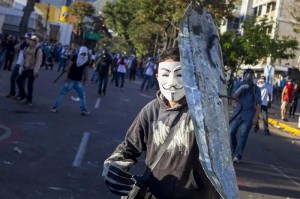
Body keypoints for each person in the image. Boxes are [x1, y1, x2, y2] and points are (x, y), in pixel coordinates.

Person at [102, 47, 220, 199]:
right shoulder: (151, 111)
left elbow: (220, 160)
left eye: (180, 75)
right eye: (166, 74)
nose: (172, 82)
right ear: (157, 76)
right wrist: (114, 164)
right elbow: (129, 148)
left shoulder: (204, 114)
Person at [230, 69, 261, 163]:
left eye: (250, 75)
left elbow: (258, 104)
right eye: (246, 75)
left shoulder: (256, 89)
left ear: (253, 77)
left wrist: (256, 117)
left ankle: (238, 155)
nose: (248, 77)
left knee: (243, 135)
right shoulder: (239, 85)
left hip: (248, 115)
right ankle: (234, 149)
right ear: (243, 76)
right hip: (237, 114)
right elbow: (233, 97)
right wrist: (241, 88)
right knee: (231, 132)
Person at [50, 46, 90, 115]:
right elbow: (69, 66)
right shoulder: (75, 56)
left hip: (78, 81)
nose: (83, 55)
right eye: (82, 53)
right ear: (80, 52)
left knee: (82, 96)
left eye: (85, 53)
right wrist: (66, 75)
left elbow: (85, 70)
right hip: (70, 79)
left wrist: (86, 78)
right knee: (62, 93)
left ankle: (83, 110)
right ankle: (54, 107)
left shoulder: (86, 60)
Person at [16, 35, 43, 105]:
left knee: (29, 85)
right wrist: (21, 67)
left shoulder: (38, 50)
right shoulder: (27, 48)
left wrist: (36, 71)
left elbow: (39, 61)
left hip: (32, 69)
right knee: (18, 80)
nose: (31, 41)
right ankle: (24, 96)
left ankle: (29, 100)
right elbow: (23, 58)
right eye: (31, 40)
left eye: (33, 40)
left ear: (36, 42)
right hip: (25, 68)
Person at [6, 33, 31, 99]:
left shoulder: (31, 46)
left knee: (22, 80)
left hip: (25, 64)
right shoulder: (23, 44)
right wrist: (22, 42)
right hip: (18, 63)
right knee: (12, 77)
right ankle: (12, 92)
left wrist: (28, 42)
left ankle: (21, 94)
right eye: (25, 38)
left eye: (27, 38)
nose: (25, 39)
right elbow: (15, 47)